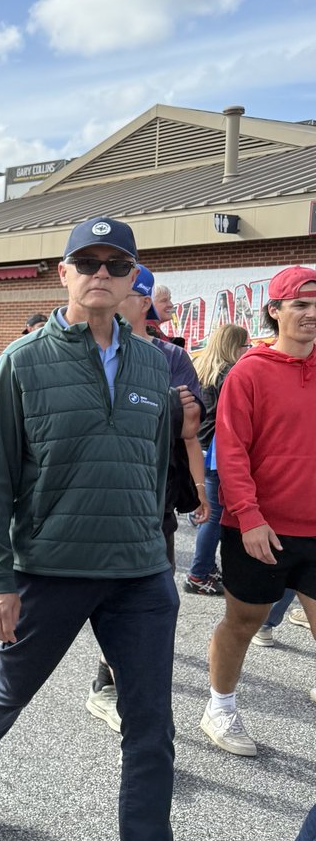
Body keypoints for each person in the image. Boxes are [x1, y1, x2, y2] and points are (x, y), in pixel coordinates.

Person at [0, 217, 176, 840]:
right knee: (9, 689)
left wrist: (156, 551)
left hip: (139, 575)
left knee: (151, 727)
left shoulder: (154, 365)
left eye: (115, 264)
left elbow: (153, 466)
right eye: (88, 263)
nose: (101, 274)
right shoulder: (23, 362)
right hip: (50, 568)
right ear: (64, 274)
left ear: (133, 277)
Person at [85, 263, 206, 734]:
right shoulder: (80, 352)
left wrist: (199, 490)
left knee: (150, 606)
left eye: (136, 292)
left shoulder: (171, 358)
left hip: (153, 505)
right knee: (104, 599)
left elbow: (188, 427)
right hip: (96, 504)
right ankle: (111, 682)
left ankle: (130, 701)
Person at [202, 265, 316, 758]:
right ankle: (219, 706)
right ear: (275, 310)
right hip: (260, 529)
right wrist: (248, 516)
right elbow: (230, 451)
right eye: (301, 305)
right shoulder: (249, 370)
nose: (312, 314)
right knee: (244, 623)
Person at [184, 323, 250, 596]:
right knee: (214, 517)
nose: (248, 350)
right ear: (234, 346)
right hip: (215, 452)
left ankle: (204, 568)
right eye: (246, 346)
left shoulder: (201, 369)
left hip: (199, 448)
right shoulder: (229, 374)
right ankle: (199, 573)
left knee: (209, 512)